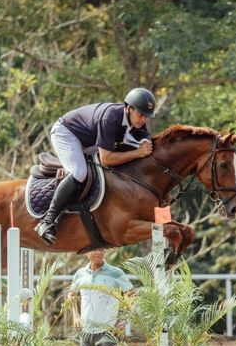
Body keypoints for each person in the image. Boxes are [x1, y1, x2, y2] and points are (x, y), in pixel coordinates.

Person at [35, 88, 158, 244]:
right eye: (141, 115)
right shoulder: (110, 118)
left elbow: (146, 146)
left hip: (90, 141)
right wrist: (137, 153)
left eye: (146, 116)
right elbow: (106, 159)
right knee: (80, 172)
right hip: (66, 133)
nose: (143, 120)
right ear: (128, 108)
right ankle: (47, 221)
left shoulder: (137, 123)